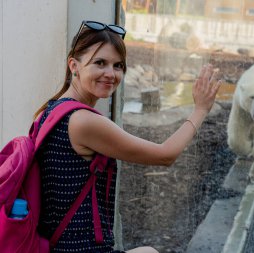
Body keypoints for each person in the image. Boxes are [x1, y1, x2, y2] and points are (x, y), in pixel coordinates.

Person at [34, 20, 221, 253]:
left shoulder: (48, 111)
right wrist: (201, 109)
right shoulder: (84, 121)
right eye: (100, 63)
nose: (111, 74)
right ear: (74, 65)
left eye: (118, 65)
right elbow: (165, 155)